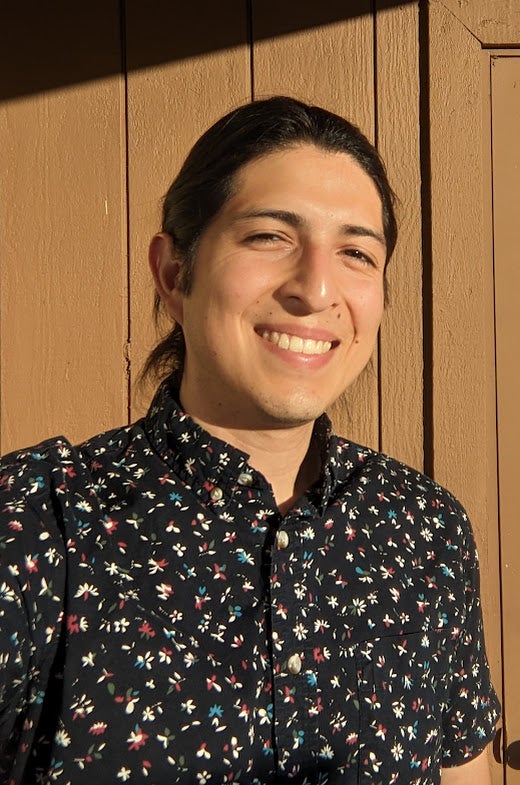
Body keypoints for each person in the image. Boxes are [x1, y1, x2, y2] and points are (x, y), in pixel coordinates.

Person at [0, 97, 499, 785]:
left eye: (357, 252)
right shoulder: (36, 519)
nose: (316, 289)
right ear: (175, 274)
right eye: (269, 236)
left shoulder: (425, 527)